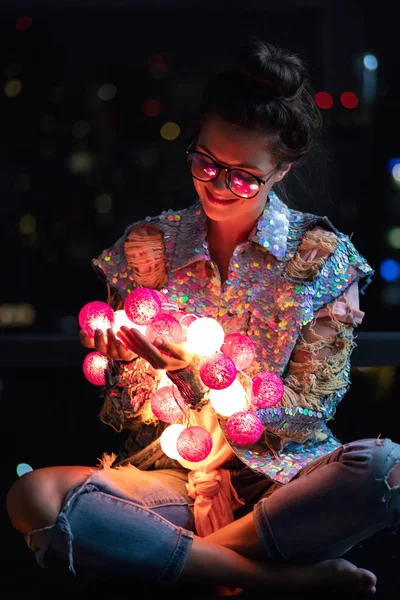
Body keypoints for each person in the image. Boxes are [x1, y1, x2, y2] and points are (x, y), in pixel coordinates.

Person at [6, 37, 400, 596]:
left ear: (281, 171)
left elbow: (309, 415)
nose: (217, 185)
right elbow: (125, 411)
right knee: (32, 497)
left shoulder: (321, 260)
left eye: (242, 176)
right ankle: (283, 581)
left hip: (283, 481)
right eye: (205, 162)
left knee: (386, 470)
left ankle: (171, 556)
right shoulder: (149, 249)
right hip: (172, 475)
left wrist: (201, 375)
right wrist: (122, 362)